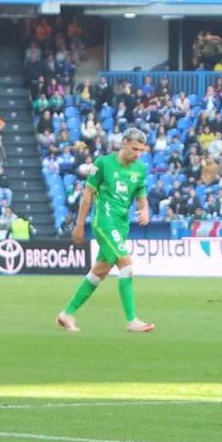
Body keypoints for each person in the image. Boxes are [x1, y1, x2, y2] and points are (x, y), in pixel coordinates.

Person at [60, 128, 155, 333]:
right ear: (124, 143)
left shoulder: (140, 169)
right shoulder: (103, 163)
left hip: (122, 225)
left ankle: (67, 313)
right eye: (135, 149)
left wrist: (145, 211)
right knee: (126, 265)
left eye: (141, 150)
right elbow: (87, 196)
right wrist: (79, 224)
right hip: (104, 222)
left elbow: (141, 195)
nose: (138, 154)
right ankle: (132, 320)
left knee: (99, 272)